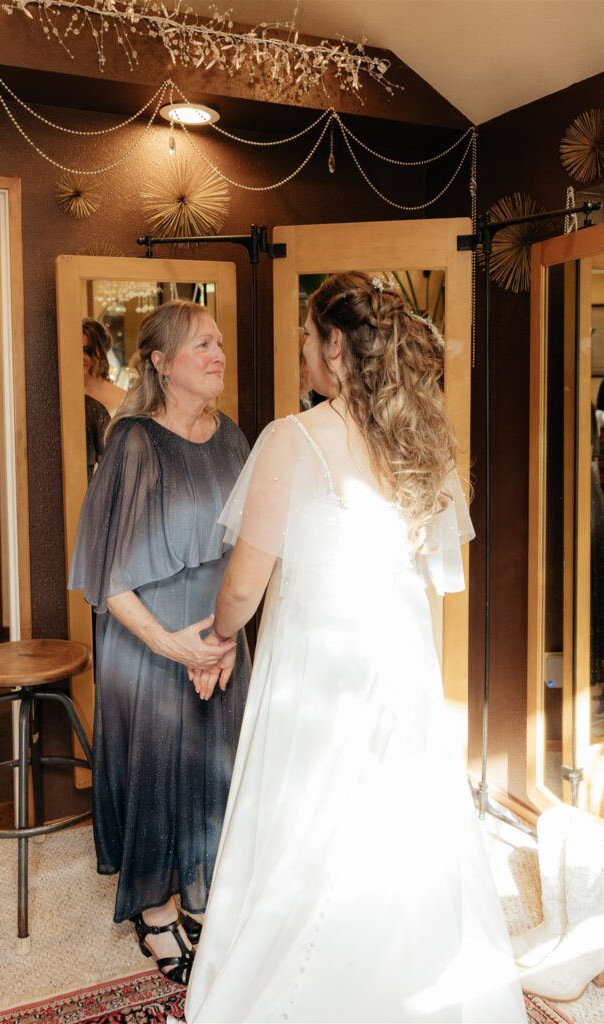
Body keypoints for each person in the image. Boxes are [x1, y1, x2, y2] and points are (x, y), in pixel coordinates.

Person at [185, 273, 526, 1023]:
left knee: (309, 819)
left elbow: (242, 589)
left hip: (315, 665)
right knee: (397, 822)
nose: (303, 351)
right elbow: (440, 572)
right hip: (397, 663)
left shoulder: (292, 437)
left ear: (335, 346)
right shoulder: (423, 439)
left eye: (308, 337)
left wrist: (214, 640)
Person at [69, 300, 251, 986]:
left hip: (220, 636)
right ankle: (154, 911)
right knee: (159, 768)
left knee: (213, 768)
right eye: (202, 344)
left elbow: (247, 550)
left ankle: (202, 892)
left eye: (220, 344)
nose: (218, 355)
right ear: (159, 361)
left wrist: (224, 639)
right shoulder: (133, 442)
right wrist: (176, 647)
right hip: (148, 641)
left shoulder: (232, 436)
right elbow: (107, 578)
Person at [82, 318, 126, 481]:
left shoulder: (122, 399)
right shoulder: (66, 400)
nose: (81, 357)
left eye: (87, 351)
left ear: (101, 352)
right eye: (75, 350)